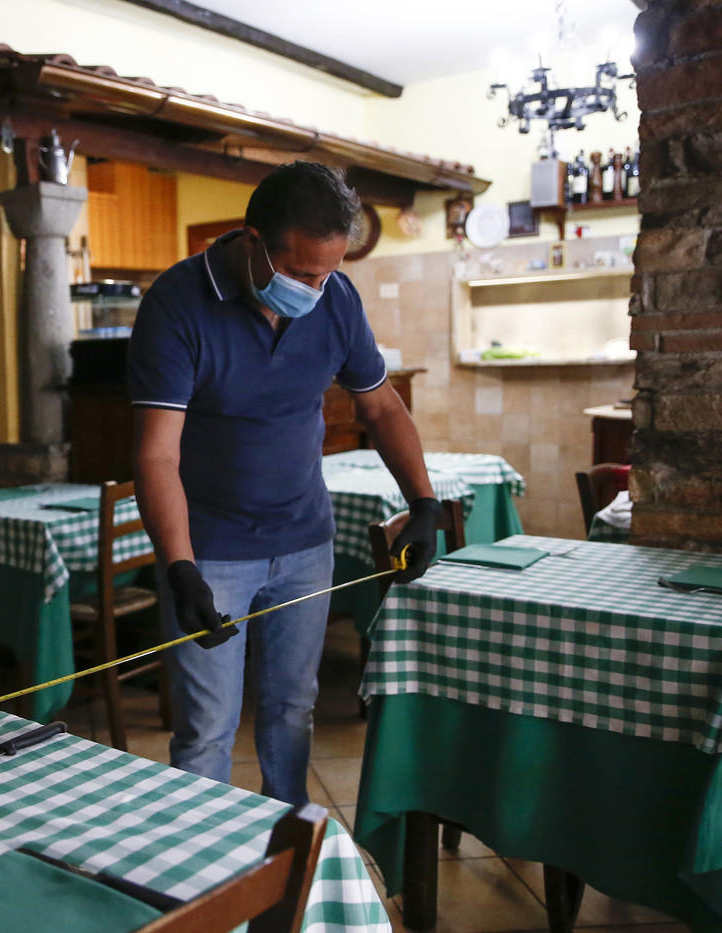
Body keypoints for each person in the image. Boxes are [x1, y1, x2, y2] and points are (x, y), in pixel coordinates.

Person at [128, 161, 440, 805]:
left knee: (292, 710)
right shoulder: (176, 304)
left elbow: (381, 408)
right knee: (207, 729)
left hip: (305, 543)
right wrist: (180, 567)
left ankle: (285, 846)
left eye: (327, 273)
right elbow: (156, 455)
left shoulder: (338, 299)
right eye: (301, 274)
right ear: (253, 242)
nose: (316, 289)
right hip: (211, 552)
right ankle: (202, 859)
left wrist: (424, 501)